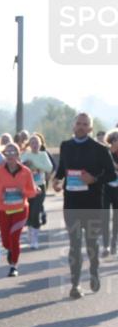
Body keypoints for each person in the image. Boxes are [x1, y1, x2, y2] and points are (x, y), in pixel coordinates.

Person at [53, 113, 117, 298]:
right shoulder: (66, 146)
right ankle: (75, 284)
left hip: (92, 204)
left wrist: (94, 179)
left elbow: (111, 175)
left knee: (91, 244)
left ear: (90, 128)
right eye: (78, 123)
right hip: (71, 203)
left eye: (85, 124)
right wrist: (57, 181)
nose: (81, 127)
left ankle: (94, 272)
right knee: (74, 244)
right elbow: (62, 169)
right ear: (73, 126)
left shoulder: (100, 149)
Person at [0, 143, 40, 277]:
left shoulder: (26, 171)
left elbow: (32, 192)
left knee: (14, 237)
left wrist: (23, 192)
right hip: (3, 210)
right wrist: (0, 196)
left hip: (20, 209)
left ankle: (14, 266)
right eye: (7, 153)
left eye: (13, 152)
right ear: (4, 155)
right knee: (6, 241)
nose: (10, 155)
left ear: (18, 154)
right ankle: (10, 250)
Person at [20, 134, 53, 249]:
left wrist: (35, 165)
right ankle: (30, 233)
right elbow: (19, 167)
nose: (34, 145)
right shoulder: (25, 155)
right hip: (27, 187)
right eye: (32, 143)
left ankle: (35, 239)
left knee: (36, 211)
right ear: (29, 144)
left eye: (36, 143)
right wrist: (25, 165)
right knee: (28, 212)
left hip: (40, 186)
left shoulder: (43, 155)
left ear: (40, 144)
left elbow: (49, 168)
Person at [104, 129, 118, 257]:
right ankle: (106, 245)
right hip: (106, 189)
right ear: (112, 141)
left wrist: (113, 165)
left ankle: (114, 243)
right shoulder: (105, 153)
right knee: (105, 217)